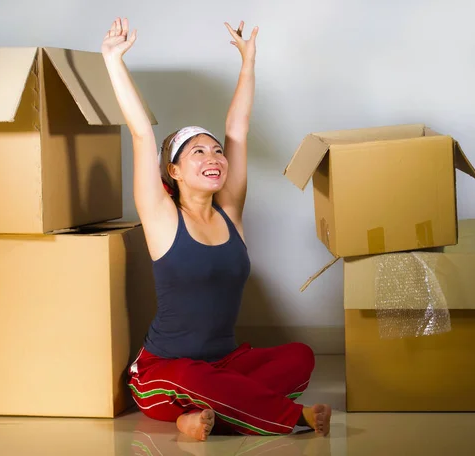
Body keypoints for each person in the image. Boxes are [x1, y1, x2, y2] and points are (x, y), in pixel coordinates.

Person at [101, 17, 331, 440]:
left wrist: (248, 61)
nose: (214, 155)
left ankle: (199, 417)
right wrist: (113, 60)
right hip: (165, 369)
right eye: (197, 151)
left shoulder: (230, 212)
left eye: (217, 151)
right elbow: (140, 134)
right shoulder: (162, 215)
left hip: (226, 361)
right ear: (174, 171)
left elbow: (238, 130)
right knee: (197, 381)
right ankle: (290, 417)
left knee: (300, 356)